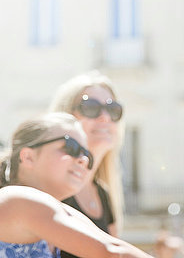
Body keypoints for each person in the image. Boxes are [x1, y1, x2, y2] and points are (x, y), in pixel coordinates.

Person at [0, 112, 153, 258]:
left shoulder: (57, 210)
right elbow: (112, 252)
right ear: (28, 157)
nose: (83, 159)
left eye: (87, 155)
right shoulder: (16, 199)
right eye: (70, 147)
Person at [48, 71, 124, 246]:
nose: (105, 117)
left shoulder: (103, 195)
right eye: (91, 107)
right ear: (66, 116)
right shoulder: (52, 188)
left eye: (113, 110)